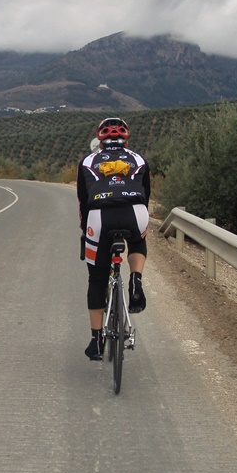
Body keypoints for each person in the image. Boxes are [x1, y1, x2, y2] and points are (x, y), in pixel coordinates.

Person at [77, 116, 151, 360]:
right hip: (135, 213)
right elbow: (146, 196)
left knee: (97, 278)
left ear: (100, 141)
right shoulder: (139, 159)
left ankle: (96, 341)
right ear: (126, 140)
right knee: (138, 241)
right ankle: (136, 280)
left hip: (100, 217)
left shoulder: (88, 161)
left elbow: (83, 202)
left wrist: (85, 232)